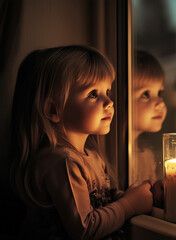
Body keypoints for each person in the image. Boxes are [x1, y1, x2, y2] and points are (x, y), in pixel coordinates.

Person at [9, 45, 155, 239]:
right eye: (93, 94)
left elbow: (104, 203)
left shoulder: (90, 157)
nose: (109, 102)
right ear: (53, 109)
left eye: (108, 91)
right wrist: (129, 205)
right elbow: (85, 229)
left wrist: (140, 196)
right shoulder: (62, 162)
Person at [131, 50, 167, 185]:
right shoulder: (108, 158)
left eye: (160, 93)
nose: (160, 103)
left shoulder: (147, 157)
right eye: (146, 94)